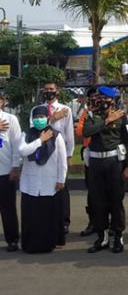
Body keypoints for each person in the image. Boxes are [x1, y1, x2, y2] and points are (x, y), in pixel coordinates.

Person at [82, 86, 128, 254]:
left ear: (112, 100)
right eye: (99, 97)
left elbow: (127, 141)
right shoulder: (91, 115)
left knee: (116, 201)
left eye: (105, 98)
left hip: (114, 162)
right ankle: (102, 238)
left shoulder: (121, 116)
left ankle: (118, 236)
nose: (101, 101)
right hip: (96, 162)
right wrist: (106, 121)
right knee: (98, 202)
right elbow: (86, 131)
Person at [18, 106, 67, 253]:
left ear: (47, 117)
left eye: (42, 116)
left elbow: (62, 160)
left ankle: (48, 244)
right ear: (32, 119)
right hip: (30, 184)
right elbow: (22, 151)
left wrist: (61, 179)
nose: (39, 119)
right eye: (36, 116)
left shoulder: (56, 135)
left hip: (49, 183)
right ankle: (29, 245)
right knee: (31, 217)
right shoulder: (26, 134)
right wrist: (40, 141)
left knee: (47, 216)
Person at [42, 82, 74, 235]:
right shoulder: (38, 110)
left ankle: (64, 221)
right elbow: (34, 127)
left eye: (51, 89)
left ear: (57, 91)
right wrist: (52, 119)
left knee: (62, 188)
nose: (49, 92)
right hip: (43, 152)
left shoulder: (65, 109)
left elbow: (69, 135)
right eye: (46, 89)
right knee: (46, 187)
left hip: (60, 152)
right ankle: (48, 219)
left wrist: (69, 154)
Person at [75, 87, 98, 236]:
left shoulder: (113, 112)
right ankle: (93, 222)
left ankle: (109, 223)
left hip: (109, 156)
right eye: (95, 97)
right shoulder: (86, 113)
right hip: (91, 153)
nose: (98, 100)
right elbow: (80, 131)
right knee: (92, 190)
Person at [0, 92, 21, 252]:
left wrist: (16, 166)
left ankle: (12, 239)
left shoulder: (10, 119)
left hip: (5, 171)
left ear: (2, 102)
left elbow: (16, 144)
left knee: (8, 208)